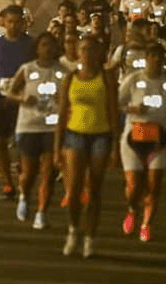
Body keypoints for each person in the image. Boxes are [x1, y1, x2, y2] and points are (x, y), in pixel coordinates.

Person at [54, 37, 118, 258]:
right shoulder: (70, 78)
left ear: (99, 53)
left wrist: (115, 146)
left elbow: (113, 111)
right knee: (74, 190)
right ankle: (74, 229)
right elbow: (62, 112)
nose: (87, 53)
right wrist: (57, 146)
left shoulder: (106, 78)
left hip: (101, 135)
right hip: (75, 135)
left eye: (92, 50)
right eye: (83, 49)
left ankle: (90, 236)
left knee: (95, 190)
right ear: (78, 53)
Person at [7, 32, 66, 229]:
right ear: (37, 48)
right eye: (43, 45)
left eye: (51, 45)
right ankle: (24, 196)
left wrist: (63, 99)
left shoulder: (63, 71)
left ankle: (41, 213)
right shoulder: (27, 69)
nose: (47, 49)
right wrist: (22, 98)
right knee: (29, 173)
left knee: (48, 173)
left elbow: (71, 97)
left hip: (52, 126)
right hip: (29, 125)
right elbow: (11, 93)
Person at [118, 43, 166, 241]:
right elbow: (117, 102)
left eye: (160, 56)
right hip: (134, 134)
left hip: (160, 137)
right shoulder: (133, 79)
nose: (156, 60)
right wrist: (133, 109)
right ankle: (132, 209)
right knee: (134, 186)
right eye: (153, 56)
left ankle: (146, 224)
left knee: (154, 184)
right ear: (147, 58)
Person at [0, 5, 35, 199]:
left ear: (23, 23)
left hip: (22, 100)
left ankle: (23, 178)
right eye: (10, 22)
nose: (13, 26)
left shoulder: (31, 44)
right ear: (3, 22)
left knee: (23, 141)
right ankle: (8, 184)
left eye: (17, 22)